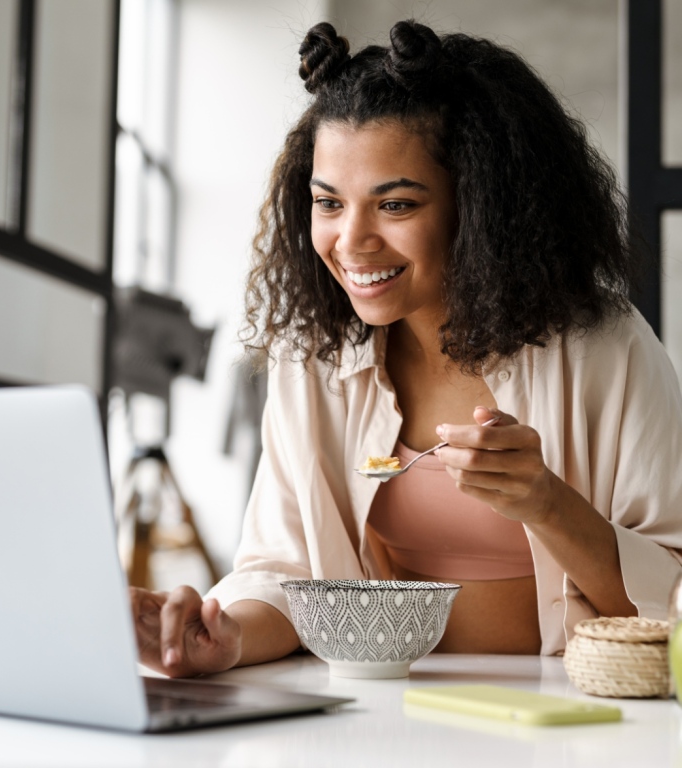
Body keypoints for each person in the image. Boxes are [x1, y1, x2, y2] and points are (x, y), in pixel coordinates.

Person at [130, 20, 682, 676]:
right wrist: (224, 637)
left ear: (476, 207)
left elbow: (669, 597)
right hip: (381, 716)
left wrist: (546, 502)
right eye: (329, 203)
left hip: (561, 717)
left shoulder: (606, 351)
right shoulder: (314, 360)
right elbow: (284, 570)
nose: (352, 240)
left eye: (394, 205)